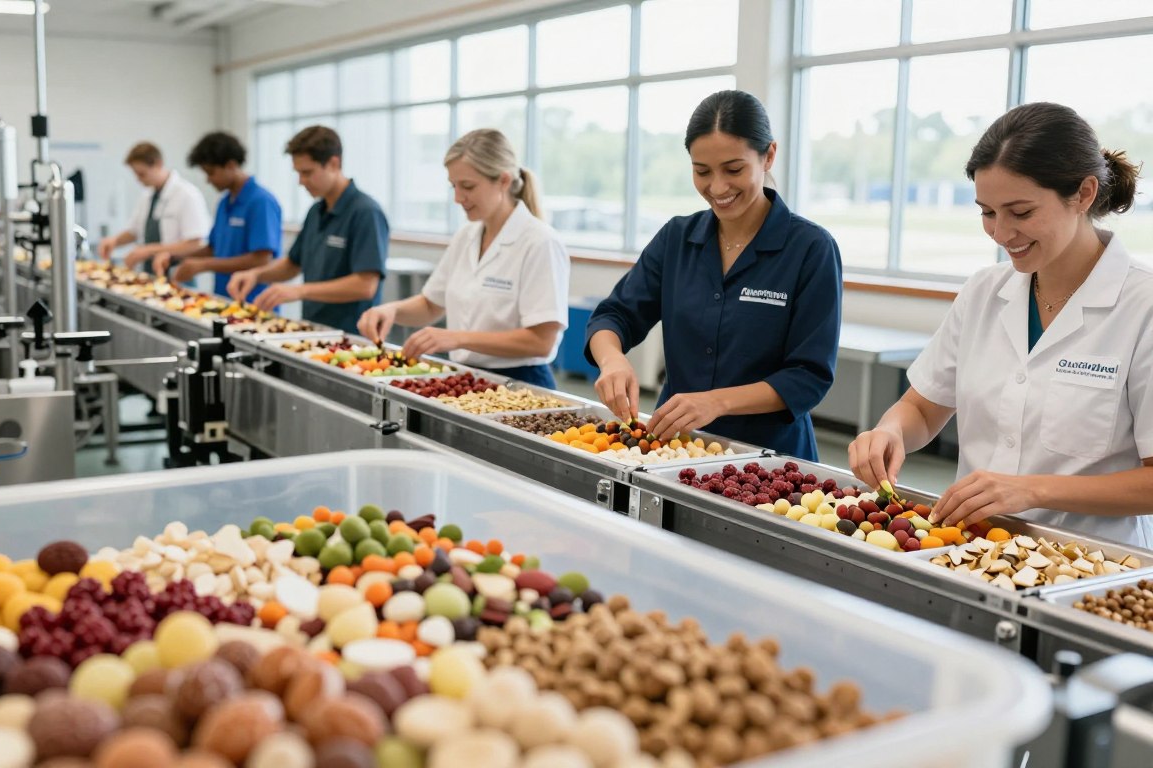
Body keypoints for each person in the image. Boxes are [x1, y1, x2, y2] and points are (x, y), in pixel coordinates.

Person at [849, 102, 1152, 546]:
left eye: (1021, 212)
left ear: (1084, 194)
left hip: (1086, 563)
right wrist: (888, 431)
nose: (1000, 232)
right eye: (987, 212)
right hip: (971, 550)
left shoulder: (1142, 307)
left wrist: (1030, 488)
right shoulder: (984, 292)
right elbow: (922, 408)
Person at [584, 90, 841, 460]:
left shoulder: (810, 249)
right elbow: (614, 316)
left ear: (768, 155)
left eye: (734, 170)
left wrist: (716, 402)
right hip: (672, 450)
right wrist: (612, 360)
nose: (717, 188)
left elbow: (808, 376)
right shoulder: (677, 238)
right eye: (702, 171)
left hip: (770, 461)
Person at [356, 129, 569, 388]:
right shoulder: (467, 236)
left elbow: (540, 341)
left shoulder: (540, 242)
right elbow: (431, 305)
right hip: (466, 378)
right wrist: (390, 310)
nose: (458, 198)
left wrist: (456, 338)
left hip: (522, 383)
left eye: (468, 186)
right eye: (453, 186)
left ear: (503, 180)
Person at [227, 126, 388, 334]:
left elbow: (365, 286)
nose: (301, 182)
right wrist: (255, 274)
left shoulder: (366, 212)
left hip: (351, 338)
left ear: (333, 164)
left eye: (307, 173)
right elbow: (293, 264)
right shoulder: (316, 211)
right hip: (314, 330)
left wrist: (299, 291)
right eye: (298, 173)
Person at [152, 131, 282, 301]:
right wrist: (174, 257)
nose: (208, 180)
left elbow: (262, 260)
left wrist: (203, 265)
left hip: (254, 301)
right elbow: (213, 249)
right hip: (224, 297)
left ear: (231, 165)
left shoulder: (261, 202)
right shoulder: (224, 203)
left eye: (211, 173)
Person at [96, 142, 209, 274]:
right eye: (136, 175)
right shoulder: (147, 196)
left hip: (177, 272)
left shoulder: (187, 195)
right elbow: (134, 231)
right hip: (150, 272)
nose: (138, 180)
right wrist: (114, 241)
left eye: (142, 174)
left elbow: (195, 244)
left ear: (158, 164)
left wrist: (148, 250)